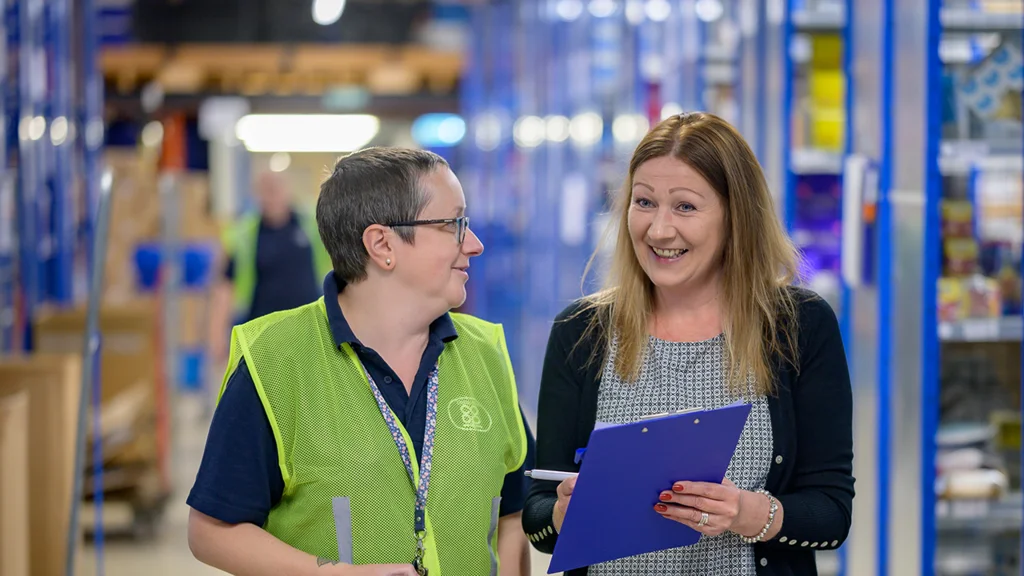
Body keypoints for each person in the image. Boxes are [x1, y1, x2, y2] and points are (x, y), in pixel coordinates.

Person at [522, 112, 854, 575]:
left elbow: (833, 513)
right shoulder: (582, 331)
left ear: (736, 217)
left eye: (686, 207)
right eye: (644, 203)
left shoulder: (798, 326)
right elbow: (538, 514)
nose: (658, 230)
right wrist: (562, 511)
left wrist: (745, 512)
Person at [188, 147, 536, 576]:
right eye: (453, 224)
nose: (475, 244)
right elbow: (211, 531)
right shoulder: (274, 362)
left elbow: (514, 512)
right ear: (382, 244)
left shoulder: (486, 354)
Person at [210, 170, 333, 359]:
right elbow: (225, 287)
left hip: (308, 331)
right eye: (266, 190)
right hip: (261, 334)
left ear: (287, 190)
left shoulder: (310, 225)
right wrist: (217, 336)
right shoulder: (245, 234)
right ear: (257, 194)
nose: (272, 195)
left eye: (276, 189)